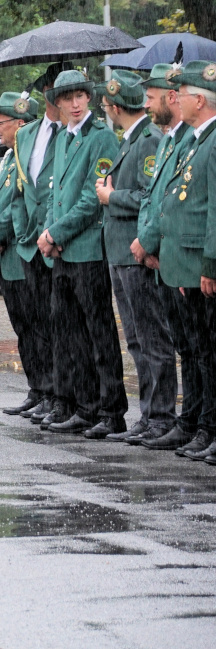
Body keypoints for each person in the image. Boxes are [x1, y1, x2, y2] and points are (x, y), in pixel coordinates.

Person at [34, 69, 125, 437]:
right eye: (67, 98)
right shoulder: (62, 139)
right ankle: (84, 406)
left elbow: (91, 199)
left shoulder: (101, 137)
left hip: (87, 249)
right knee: (70, 334)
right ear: (57, 102)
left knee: (99, 333)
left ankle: (112, 410)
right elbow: (55, 195)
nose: (74, 104)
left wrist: (56, 232)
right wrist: (49, 235)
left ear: (89, 97)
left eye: (80, 96)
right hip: (63, 252)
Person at [94, 70, 171, 441]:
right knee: (138, 340)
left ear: (114, 107)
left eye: (105, 105)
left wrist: (112, 198)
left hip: (135, 251)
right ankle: (149, 415)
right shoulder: (131, 139)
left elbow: (148, 196)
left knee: (152, 339)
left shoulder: (148, 140)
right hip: (120, 252)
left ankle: (161, 417)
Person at [134, 64, 203, 452]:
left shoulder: (192, 139)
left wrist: (150, 242)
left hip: (181, 258)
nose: (146, 105)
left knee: (196, 348)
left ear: (172, 97)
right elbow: (152, 197)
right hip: (164, 256)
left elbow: (176, 205)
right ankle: (191, 421)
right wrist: (148, 242)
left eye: (151, 97)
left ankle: (198, 423)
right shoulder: (168, 141)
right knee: (186, 346)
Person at [155, 60, 216, 463]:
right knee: (198, 351)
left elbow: (214, 209)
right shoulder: (195, 139)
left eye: (185, 94)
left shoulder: (212, 141)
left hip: (202, 265)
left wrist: (210, 264)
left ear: (200, 99)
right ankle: (202, 425)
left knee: (209, 352)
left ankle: (210, 427)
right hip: (187, 263)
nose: (178, 100)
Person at [0, 91, 51, 415]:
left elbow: (20, 205)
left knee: (38, 328)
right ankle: (36, 389)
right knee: (23, 329)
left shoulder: (30, 156)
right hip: (7, 258)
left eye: (0, 123)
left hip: (23, 254)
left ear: (20, 123)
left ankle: (50, 391)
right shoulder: (10, 156)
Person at [9, 76, 65, 425]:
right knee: (39, 324)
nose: (68, 99)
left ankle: (65, 396)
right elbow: (20, 191)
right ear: (46, 93)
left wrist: (52, 230)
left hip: (59, 242)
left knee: (64, 327)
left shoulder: (73, 133)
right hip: (32, 244)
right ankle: (47, 392)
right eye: (60, 92)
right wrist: (24, 232)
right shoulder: (27, 134)